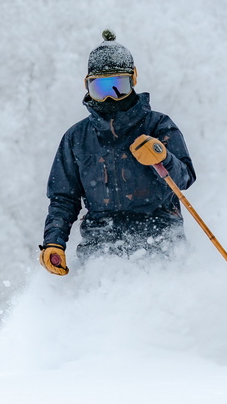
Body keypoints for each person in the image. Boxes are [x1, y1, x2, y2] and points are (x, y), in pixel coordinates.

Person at [39, 30, 196, 275]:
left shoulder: (158, 126)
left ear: (133, 79)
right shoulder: (77, 138)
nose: (111, 97)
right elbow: (63, 198)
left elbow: (184, 178)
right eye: (101, 88)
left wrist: (162, 156)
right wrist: (54, 242)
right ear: (87, 86)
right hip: (100, 248)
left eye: (118, 86)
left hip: (159, 242)